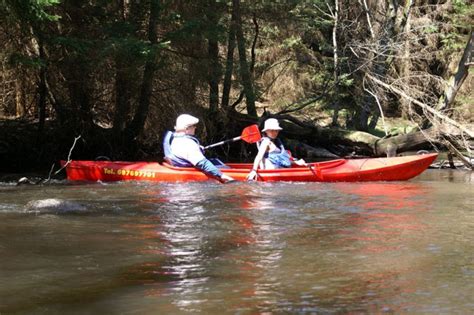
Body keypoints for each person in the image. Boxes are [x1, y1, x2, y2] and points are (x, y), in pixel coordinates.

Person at [163, 114, 235, 183]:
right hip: (186, 188)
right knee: (225, 167)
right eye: (193, 126)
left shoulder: (176, 139)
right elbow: (202, 163)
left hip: (179, 165)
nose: (195, 127)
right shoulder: (188, 143)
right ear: (186, 128)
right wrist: (222, 175)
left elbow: (185, 152)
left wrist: (198, 149)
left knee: (215, 161)